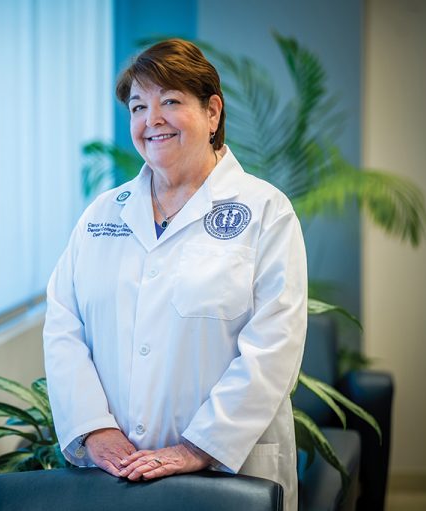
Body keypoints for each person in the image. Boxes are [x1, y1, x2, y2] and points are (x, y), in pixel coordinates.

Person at [43, 39, 307, 510]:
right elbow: (64, 326)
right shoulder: (103, 214)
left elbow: (274, 345)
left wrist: (199, 446)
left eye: (170, 101)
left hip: (230, 475)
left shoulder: (266, 210)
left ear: (212, 113)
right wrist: (95, 428)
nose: (152, 120)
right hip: (115, 473)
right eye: (139, 106)